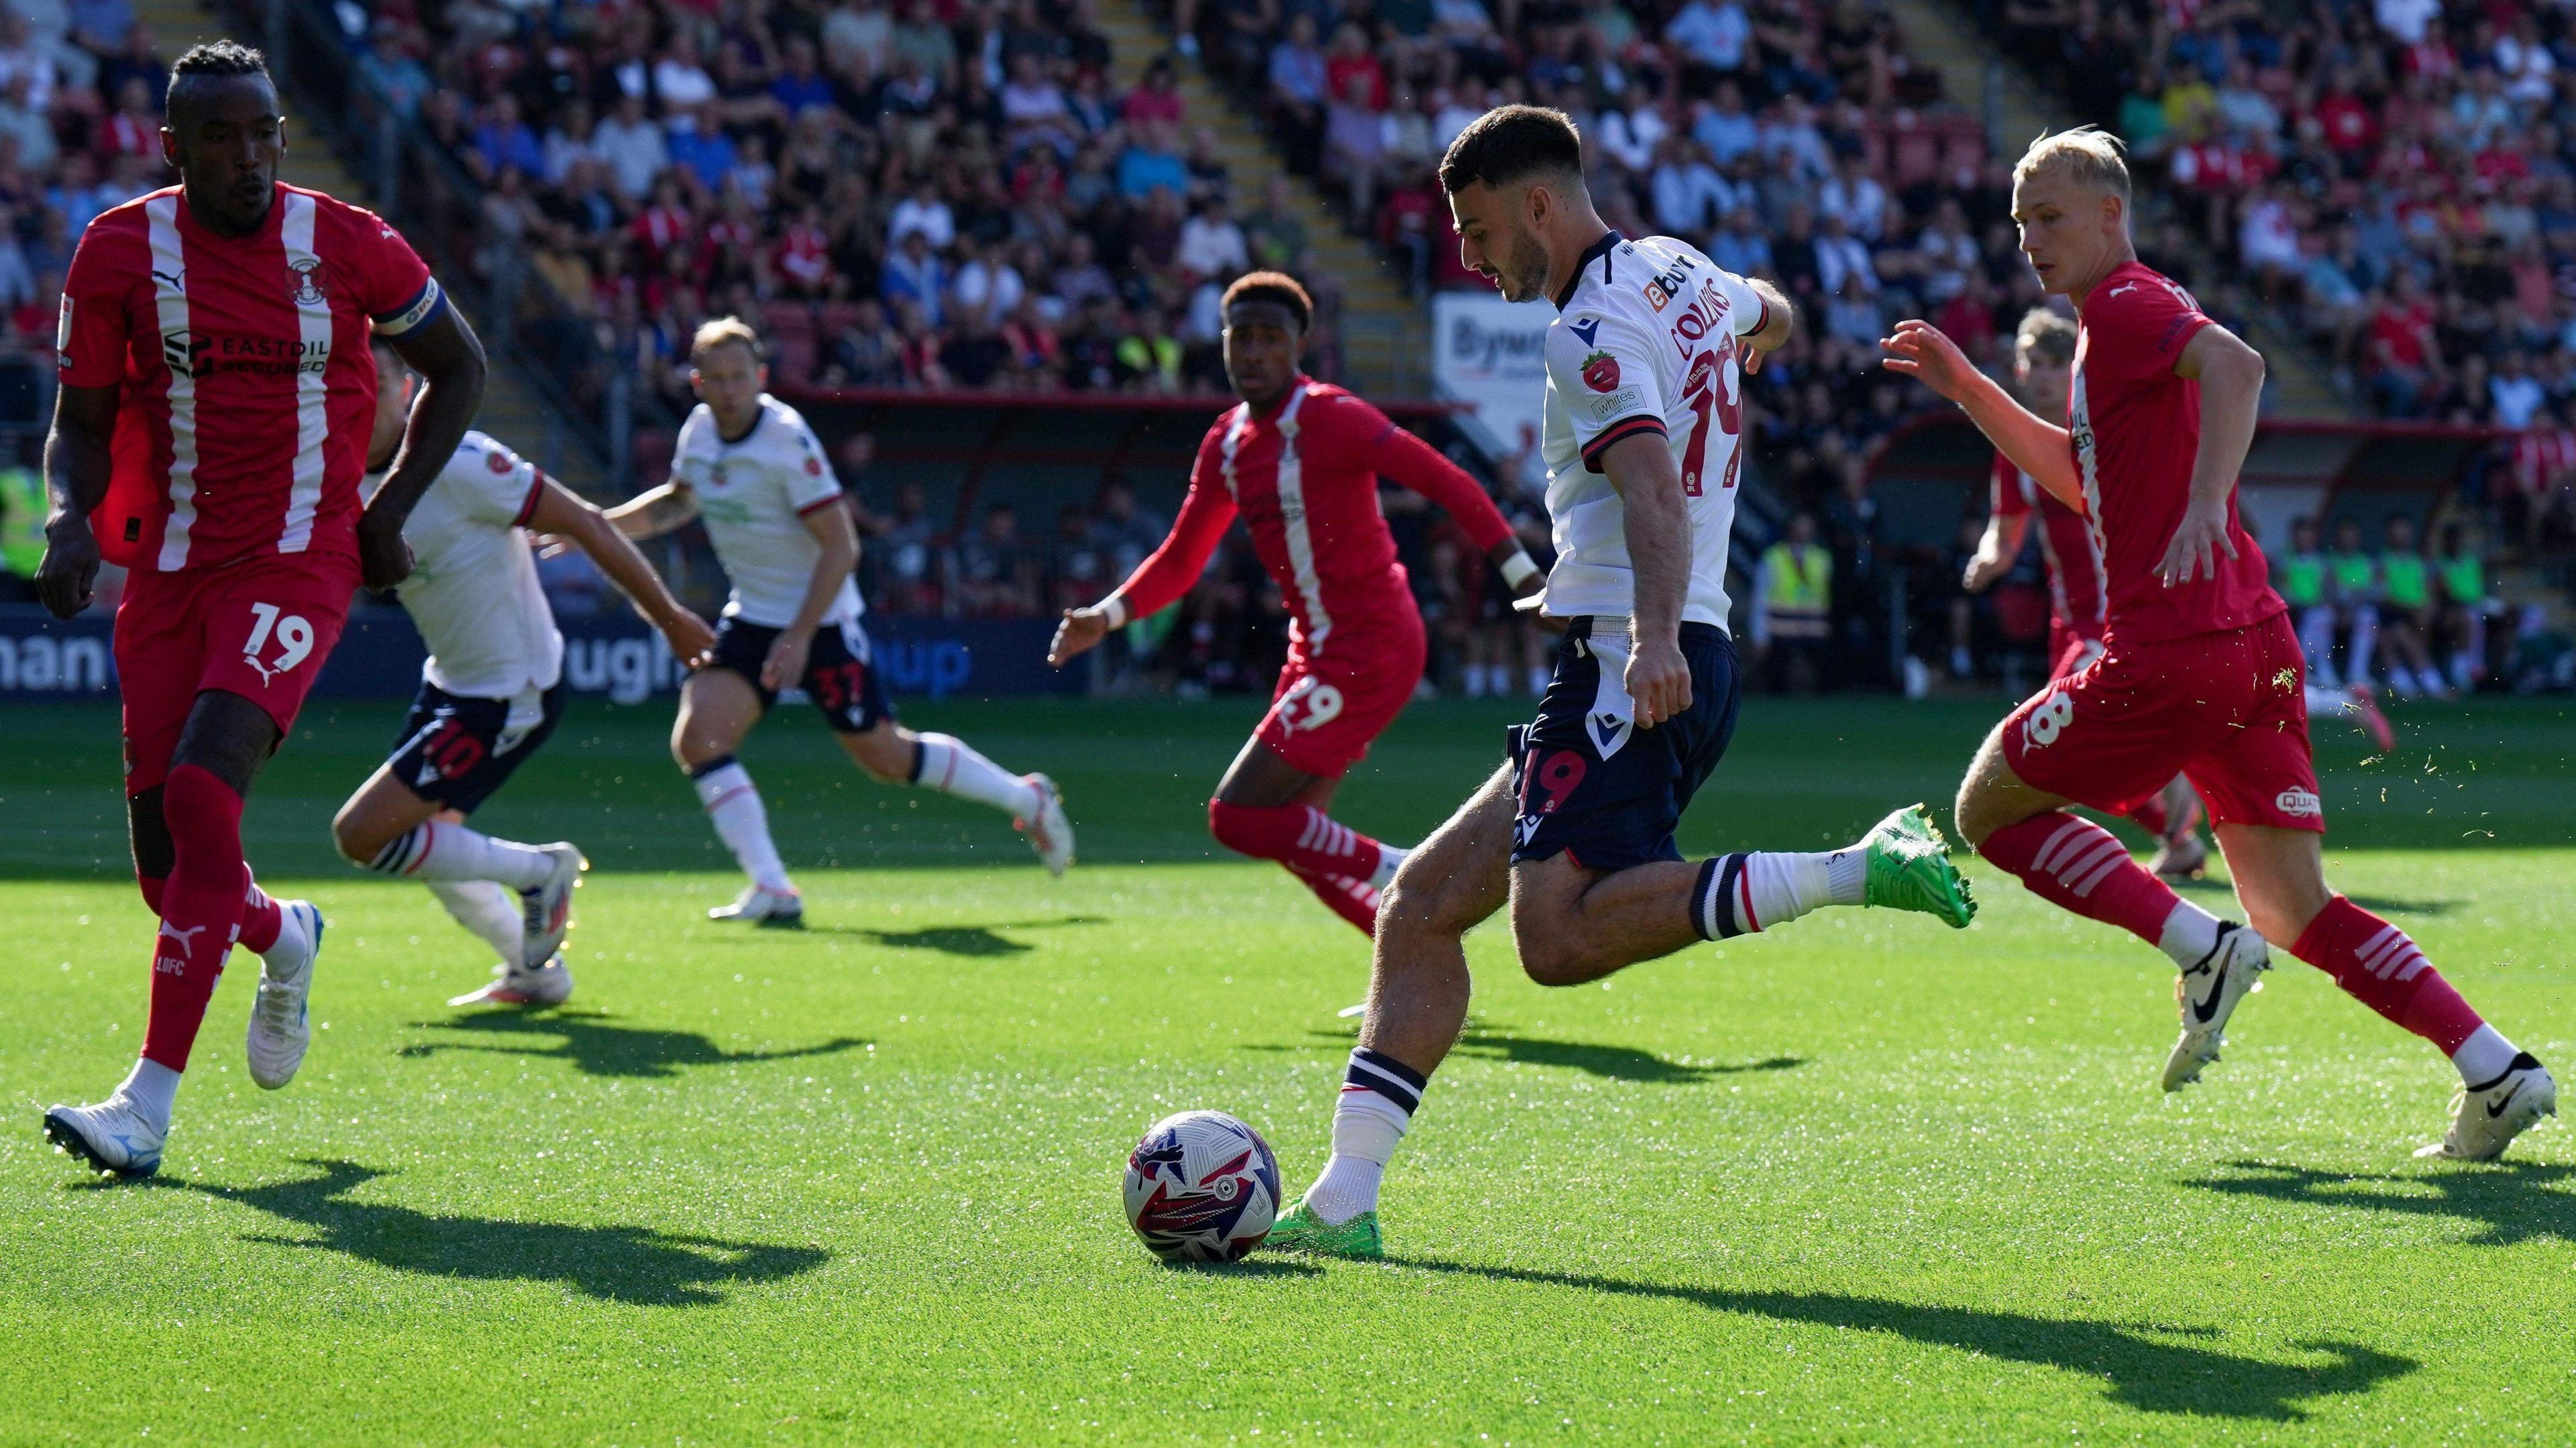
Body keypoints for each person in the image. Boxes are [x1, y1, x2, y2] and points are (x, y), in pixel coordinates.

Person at [1263, 107, 1975, 1259]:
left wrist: (1647, 640)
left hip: (1630, 663)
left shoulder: (1585, 327)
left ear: (1538, 204)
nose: (1471, 256)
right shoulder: (1682, 269)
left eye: (1481, 228)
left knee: (1553, 939)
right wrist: (1753, 344)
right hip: (1643, 650)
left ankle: (1856, 866)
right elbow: (1772, 312)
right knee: (1423, 905)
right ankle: (1346, 1201)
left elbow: (1649, 487)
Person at [1882, 126, 2551, 1160]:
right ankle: (2495, 1067)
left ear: (2112, 214)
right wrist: (1971, 387)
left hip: (2172, 649)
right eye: (2021, 224)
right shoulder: (2109, 333)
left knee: (1986, 807)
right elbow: (2080, 477)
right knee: (2297, 906)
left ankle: (2198, 946)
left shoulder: (2130, 303)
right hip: (2253, 644)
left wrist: (2205, 502)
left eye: (2050, 217)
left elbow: (2239, 365)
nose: (2031, 240)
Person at [36, 42, 487, 1178]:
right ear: (174, 147)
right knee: (164, 867)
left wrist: (390, 507)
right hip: (171, 571)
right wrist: (64, 518)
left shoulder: (345, 242)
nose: (248, 157)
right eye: (222, 137)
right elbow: (80, 422)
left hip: (298, 559)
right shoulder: (119, 249)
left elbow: (460, 366)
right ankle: (286, 933)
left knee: (201, 786)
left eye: (265, 134)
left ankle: (145, 1107)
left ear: (284, 136)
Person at [1049, 271, 1538, 934]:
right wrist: (1104, 616)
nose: (1253, 352)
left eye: (1270, 338)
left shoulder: (1332, 416)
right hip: (1317, 649)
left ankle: (1408, 869)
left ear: (1300, 344)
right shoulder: (1227, 441)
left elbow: (1447, 480)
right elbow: (1182, 557)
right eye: (1240, 336)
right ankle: (1410, 957)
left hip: (1371, 644)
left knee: (1236, 815)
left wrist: (1521, 575)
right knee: (1297, 838)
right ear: (1222, 342)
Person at [610, 318, 1074, 928]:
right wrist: (598, 523)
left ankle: (1026, 798)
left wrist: (801, 635)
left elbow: (841, 547)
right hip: (751, 618)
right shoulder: (699, 432)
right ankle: (773, 887)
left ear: (762, 378)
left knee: (884, 757)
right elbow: (677, 499)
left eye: (739, 377)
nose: (728, 390)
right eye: (715, 379)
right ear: (696, 383)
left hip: (822, 622)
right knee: (698, 739)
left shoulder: (784, 438)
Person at [327, 339, 715, 1006]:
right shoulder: (339, 479)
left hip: (509, 694)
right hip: (450, 680)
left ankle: (541, 873)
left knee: (361, 833)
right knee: (425, 841)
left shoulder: (464, 462)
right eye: (342, 383)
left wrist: (671, 616)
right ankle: (535, 971)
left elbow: (588, 524)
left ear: (404, 391)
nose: (356, 396)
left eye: (374, 379)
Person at [1963, 307, 2204, 876]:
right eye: (2033, 363)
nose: (2044, 375)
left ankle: (2106, 842)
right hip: (2068, 624)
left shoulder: (2100, 430)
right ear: (2019, 370)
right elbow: (2007, 529)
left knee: (2058, 737)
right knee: (2085, 747)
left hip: (2117, 617)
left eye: (2054, 364)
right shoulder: (2015, 445)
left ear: (2071, 369)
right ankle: (2176, 827)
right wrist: (1988, 560)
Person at [1748, 511, 1831, 692]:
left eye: (1808, 526)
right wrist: (1759, 635)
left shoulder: (1822, 558)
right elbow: (1759, 598)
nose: (1804, 531)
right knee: (1775, 682)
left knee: (1826, 682)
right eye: (1800, 525)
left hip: (1815, 631)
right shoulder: (1773, 557)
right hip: (1781, 631)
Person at [2372, 513, 2444, 698]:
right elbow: (2381, 595)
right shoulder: (2381, 561)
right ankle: (2426, 678)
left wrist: (2427, 608)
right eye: (2397, 529)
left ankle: (2409, 677)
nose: (2402, 534)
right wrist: (2410, 607)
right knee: (2396, 631)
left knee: (2411, 626)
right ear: (2388, 534)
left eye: (2405, 529)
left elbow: (2430, 593)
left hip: (2418, 615)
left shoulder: (2420, 561)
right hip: (2392, 612)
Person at [2432, 522, 2498, 692]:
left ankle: (2503, 672)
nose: (2457, 543)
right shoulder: (2440, 564)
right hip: (2452, 611)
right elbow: (2444, 595)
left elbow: (2479, 589)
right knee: (2471, 617)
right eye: (2453, 540)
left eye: (2459, 539)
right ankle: (2465, 671)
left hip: (2477, 604)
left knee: (2515, 616)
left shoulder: (2471, 562)